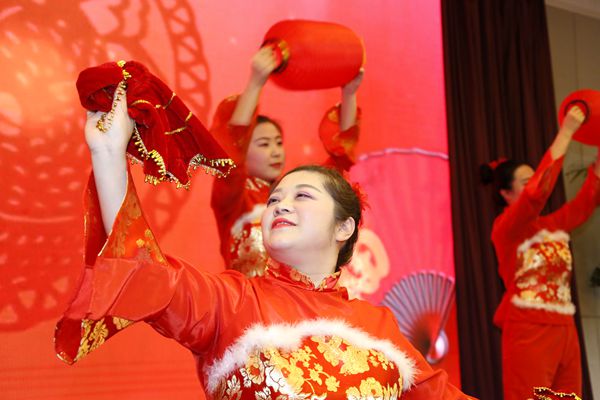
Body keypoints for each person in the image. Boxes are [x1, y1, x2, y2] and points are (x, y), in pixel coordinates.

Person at [55, 91, 475, 399]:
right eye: (275, 200)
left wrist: (350, 91)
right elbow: (146, 272)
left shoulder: (378, 327)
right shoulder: (231, 302)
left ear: (344, 227)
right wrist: (108, 155)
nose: (280, 205)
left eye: (302, 196)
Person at [210, 46, 363, 277]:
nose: (275, 152)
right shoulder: (234, 199)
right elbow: (232, 145)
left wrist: (349, 94)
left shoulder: (299, 191)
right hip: (247, 298)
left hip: (295, 296)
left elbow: (340, 157)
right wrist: (256, 81)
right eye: (264, 144)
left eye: (278, 143)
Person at [481, 106, 600, 400]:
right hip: (528, 327)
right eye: (526, 181)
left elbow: (584, 205)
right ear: (505, 194)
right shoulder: (506, 229)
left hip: (565, 328)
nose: (536, 183)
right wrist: (566, 132)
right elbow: (538, 192)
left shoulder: (551, 226)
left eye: (535, 178)